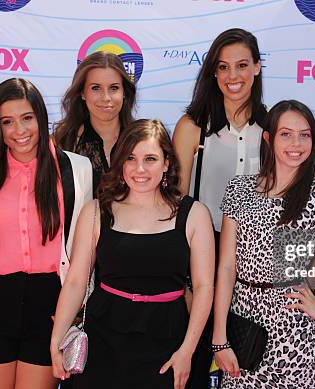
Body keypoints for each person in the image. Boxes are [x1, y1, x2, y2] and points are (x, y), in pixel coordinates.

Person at [213, 100, 315, 389]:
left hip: (296, 336)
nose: (296, 143)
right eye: (286, 134)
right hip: (243, 328)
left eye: (305, 135)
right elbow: (227, 267)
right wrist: (219, 338)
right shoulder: (239, 188)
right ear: (269, 138)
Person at [50, 119, 215, 389]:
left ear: (166, 163)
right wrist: (56, 341)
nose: (140, 169)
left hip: (170, 340)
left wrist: (187, 351)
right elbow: (77, 281)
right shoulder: (96, 212)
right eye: (131, 158)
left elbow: (204, 286)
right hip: (104, 340)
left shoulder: (194, 214)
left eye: (150, 158)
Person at [0, 78, 93, 389]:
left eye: (27, 118)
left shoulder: (77, 169)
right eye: (8, 122)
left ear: (41, 118)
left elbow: (86, 250)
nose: (20, 131)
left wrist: (75, 306)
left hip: (51, 304)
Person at [172, 27, 267, 387]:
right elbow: (175, 203)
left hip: (255, 261)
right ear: (213, 71)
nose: (233, 76)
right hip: (202, 255)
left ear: (257, 68)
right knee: (192, 363)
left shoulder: (273, 129)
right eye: (223, 67)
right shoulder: (192, 127)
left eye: (242, 65)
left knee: (246, 367)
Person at [54, 51, 136, 195]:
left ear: (124, 92)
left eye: (114, 88)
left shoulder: (141, 140)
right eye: (96, 88)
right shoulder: (62, 142)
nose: (106, 97)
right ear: (82, 93)